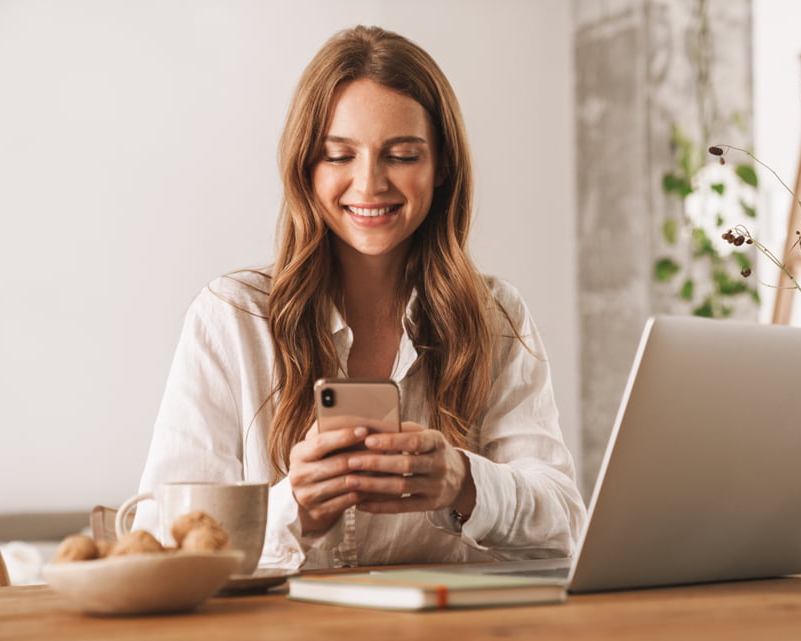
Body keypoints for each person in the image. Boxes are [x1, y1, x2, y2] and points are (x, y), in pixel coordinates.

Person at [133, 25, 586, 570]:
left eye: (401, 154)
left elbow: (563, 525)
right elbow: (160, 540)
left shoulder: (495, 316)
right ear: (306, 167)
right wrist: (293, 509)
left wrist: (465, 484)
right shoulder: (231, 317)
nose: (369, 184)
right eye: (338, 155)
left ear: (441, 166)